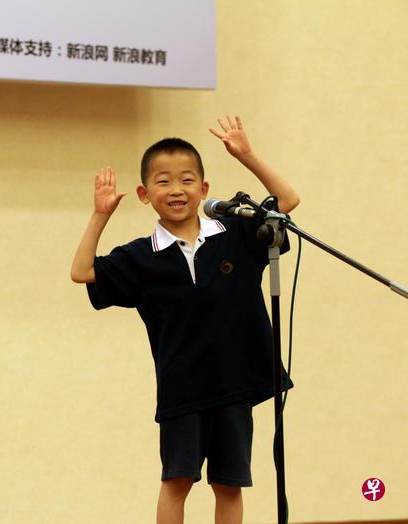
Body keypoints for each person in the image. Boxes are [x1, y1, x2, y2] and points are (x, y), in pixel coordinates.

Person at [70, 116, 299, 524]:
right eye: (163, 181)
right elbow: (82, 271)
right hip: (181, 390)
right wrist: (100, 215)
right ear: (144, 193)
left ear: (204, 189)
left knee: (229, 485)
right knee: (177, 482)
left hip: (234, 386)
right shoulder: (140, 256)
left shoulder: (237, 233)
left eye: (187, 180)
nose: (176, 190)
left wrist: (247, 156)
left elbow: (287, 201)